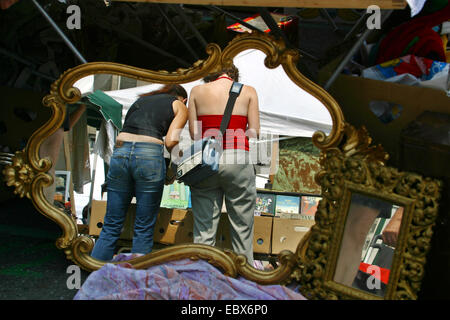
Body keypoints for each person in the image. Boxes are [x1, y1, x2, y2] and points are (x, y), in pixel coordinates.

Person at [91, 84, 188, 261]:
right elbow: (171, 142)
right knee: (143, 227)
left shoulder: (140, 101)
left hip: (120, 152)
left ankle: (92, 276)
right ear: (184, 99)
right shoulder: (179, 105)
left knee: (111, 224)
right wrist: (179, 159)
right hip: (149, 154)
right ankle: (136, 280)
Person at [187, 65, 260, 266]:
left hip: (206, 161)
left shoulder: (196, 91)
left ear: (211, 73)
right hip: (238, 158)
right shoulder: (249, 91)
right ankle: (244, 277)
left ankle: (202, 278)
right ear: (234, 75)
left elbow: (194, 134)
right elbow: (254, 132)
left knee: (204, 230)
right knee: (242, 227)